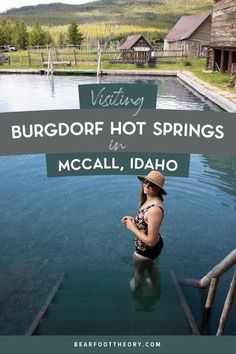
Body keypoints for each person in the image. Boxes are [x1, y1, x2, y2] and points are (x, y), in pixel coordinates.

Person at [121, 170, 167, 290]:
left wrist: (132, 227)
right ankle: (155, 285)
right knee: (150, 266)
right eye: (146, 182)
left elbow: (151, 242)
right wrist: (135, 221)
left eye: (151, 184)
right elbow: (146, 222)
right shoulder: (149, 199)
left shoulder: (155, 210)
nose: (146, 185)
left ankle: (135, 289)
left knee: (138, 272)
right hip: (151, 248)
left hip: (145, 250)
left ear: (157, 189)